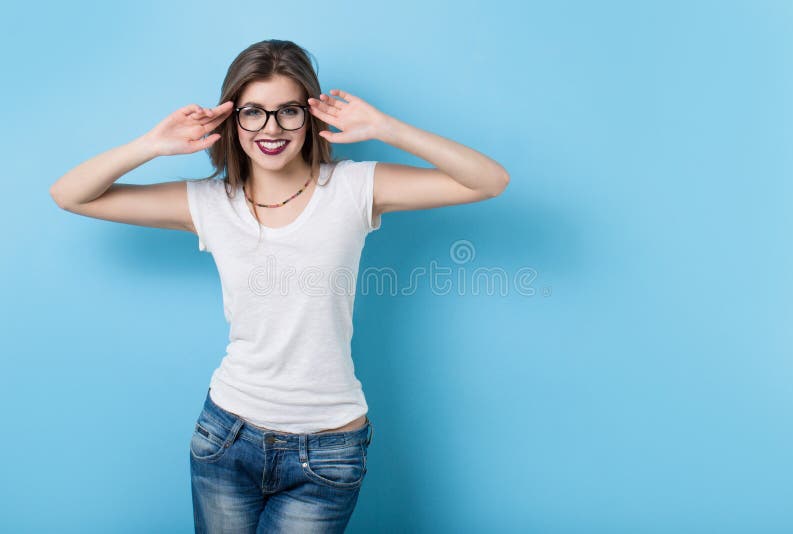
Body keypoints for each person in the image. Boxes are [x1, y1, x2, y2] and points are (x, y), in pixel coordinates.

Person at [49, 39, 510, 533]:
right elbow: (70, 194)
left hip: (329, 450)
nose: (271, 129)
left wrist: (386, 128)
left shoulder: (354, 189)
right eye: (253, 112)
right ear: (231, 119)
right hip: (226, 435)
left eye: (288, 111)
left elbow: (488, 181)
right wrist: (151, 144)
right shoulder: (208, 203)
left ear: (309, 116)